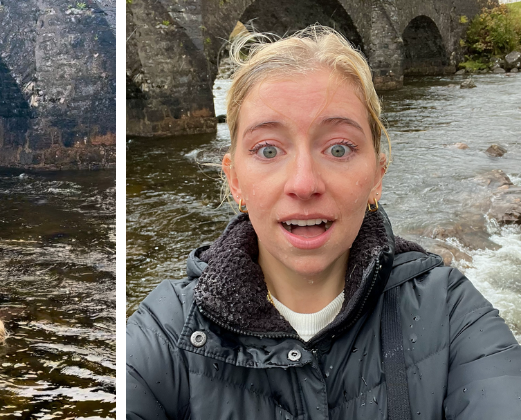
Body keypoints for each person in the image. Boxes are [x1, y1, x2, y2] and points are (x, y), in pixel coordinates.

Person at [126, 26, 521, 419]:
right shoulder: (165, 333)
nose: (304, 183)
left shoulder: (450, 311)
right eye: (267, 149)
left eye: (338, 148)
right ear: (234, 180)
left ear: (377, 176)